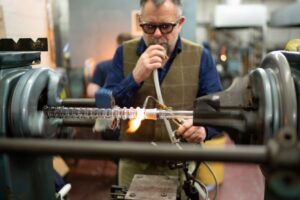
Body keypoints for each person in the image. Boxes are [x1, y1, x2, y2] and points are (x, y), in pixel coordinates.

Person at [103, 0, 223, 190]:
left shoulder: (201, 56)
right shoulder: (123, 53)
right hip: (134, 163)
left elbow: (218, 110)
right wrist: (135, 77)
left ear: (180, 23)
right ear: (139, 22)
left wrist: (204, 130)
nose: (157, 34)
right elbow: (107, 108)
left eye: (166, 27)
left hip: (181, 164)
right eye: (150, 27)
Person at [86, 33, 133, 98]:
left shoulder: (102, 66)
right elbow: (91, 91)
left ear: (116, 46)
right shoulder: (102, 67)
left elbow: (91, 92)